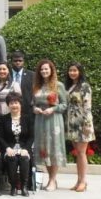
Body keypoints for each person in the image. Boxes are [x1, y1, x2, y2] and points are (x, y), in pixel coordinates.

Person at [32, 59, 68, 192]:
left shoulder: (58, 85)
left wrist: (53, 109)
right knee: (44, 150)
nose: (44, 71)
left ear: (51, 70)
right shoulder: (37, 85)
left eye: (46, 69)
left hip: (54, 120)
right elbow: (33, 103)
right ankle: (51, 178)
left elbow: (64, 105)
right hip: (40, 120)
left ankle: (52, 180)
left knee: (54, 148)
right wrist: (35, 109)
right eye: (42, 69)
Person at [65, 62, 94, 193]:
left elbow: (87, 107)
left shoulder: (84, 86)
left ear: (80, 72)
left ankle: (83, 181)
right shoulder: (70, 86)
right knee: (78, 153)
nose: (72, 73)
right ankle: (78, 181)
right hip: (72, 123)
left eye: (75, 70)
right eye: (70, 70)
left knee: (81, 153)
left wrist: (87, 124)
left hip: (82, 124)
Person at [0, 92, 33, 196]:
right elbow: (0, 137)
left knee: (24, 158)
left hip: (24, 148)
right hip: (9, 148)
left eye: (16, 103)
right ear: (8, 105)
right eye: (11, 103)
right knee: (12, 158)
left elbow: (31, 137)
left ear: (20, 104)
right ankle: (13, 186)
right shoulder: (3, 119)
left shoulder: (28, 118)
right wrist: (7, 148)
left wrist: (26, 149)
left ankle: (24, 187)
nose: (14, 105)